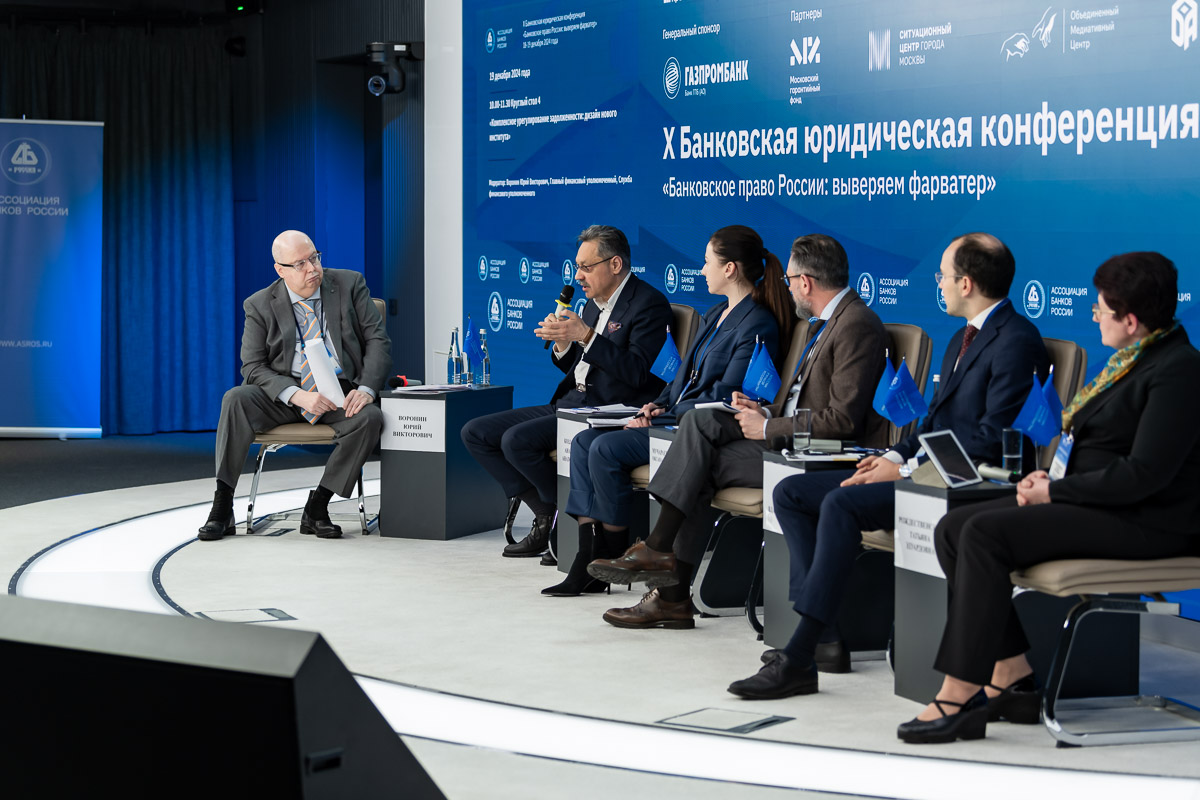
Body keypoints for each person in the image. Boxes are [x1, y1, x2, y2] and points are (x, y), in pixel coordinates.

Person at [727, 232, 1049, 698]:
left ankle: (800, 653)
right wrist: (894, 455)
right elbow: (933, 423)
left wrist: (904, 472)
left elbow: (990, 441)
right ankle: (824, 631)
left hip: (971, 484)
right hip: (926, 472)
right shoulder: (962, 337)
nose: (937, 282)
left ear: (966, 284)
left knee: (841, 503)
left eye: (942, 275)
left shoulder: (1016, 341)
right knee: (792, 494)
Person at [896, 251, 1200, 744]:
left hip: (1147, 521)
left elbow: (1144, 475)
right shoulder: (1133, 359)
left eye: (1101, 309)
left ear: (1130, 319)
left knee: (983, 534)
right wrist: (1048, 481)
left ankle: (960, 691)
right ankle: (1012, 673)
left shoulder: (1178, 371)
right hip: (1093, 502)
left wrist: (1055, 490)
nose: (1094, 317)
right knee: (953, 528)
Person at [585, 233, 891, 629]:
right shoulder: (827, 322)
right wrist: (764, 410)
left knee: (698, 462)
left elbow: (843, 422)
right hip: (791, 440)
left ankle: (665, 572)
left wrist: (768, 425)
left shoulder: (855, 324)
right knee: (700, 436)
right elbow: (804, 404)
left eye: (790, 280)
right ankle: (667, 585)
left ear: (806, 282)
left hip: (822, 453)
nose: (786, 287)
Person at [545, 225, 795, 598]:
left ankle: (613, 553)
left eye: (707, 262)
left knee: (604, 448)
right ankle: (588, 556)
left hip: (696, 429)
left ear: (729, 269)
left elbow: (728, 394)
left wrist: (667, 414)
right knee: (583, 443)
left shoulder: (757, 322)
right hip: (673, 417)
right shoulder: (716, 312)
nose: (702, 269)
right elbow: (682, 375)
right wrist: (659, 403)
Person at [460, 225, 672, 560]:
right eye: (577, 267)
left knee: (516, 441)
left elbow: (637, 373)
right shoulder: (591, 305)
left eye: (586, 267)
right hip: (573, 401)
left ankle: (560, 522)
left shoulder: (648, 304)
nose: (578, 276)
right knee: (476, 433)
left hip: (609, 409)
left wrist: (585, 336)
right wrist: (563, 344)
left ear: (615, 264)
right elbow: (581, 367)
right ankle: (549, 512)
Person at [198, 230, 391, 541]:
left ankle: (318, 506)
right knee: (235, 399)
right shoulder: (259, 304)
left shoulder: (350, 284)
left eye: (314, 258)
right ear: (280, 270)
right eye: (300, 264)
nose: (312, 269)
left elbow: (377, 341)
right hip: (285, 394)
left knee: (370, 418)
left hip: (340, 392)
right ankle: (222, 506)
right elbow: (252, 366)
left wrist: (366, 389)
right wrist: (297, 395)